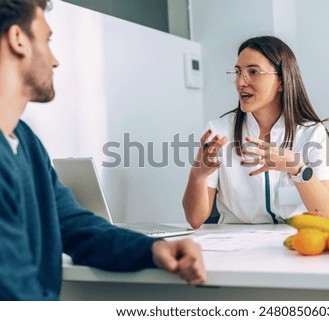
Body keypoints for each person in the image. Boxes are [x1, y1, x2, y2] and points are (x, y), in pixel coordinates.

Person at [0, 0, 206, 300]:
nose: (55, 60)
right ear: (18, 39)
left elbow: (77, 227)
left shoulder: (25, 141)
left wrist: (153, 249)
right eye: (47, 40)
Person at [183, 36, 329, 228]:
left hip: (297, 241)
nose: (240, 83)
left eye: (253, 72)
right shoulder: (219, 132)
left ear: (282, 80)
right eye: (238, 72)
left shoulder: (313, 133)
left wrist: (297, 167)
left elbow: (328, 213)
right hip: (235, 243)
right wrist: (197, 175)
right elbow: (195, 220)